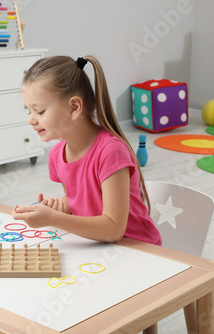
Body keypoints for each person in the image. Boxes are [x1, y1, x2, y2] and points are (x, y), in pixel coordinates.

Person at [12, 55, 162, 246]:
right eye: (29, 111)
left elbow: (114, 228)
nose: (31, 120)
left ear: (74, 107)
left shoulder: (111, 152)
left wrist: (52, 219)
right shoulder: (57, 155)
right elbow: (78, 203)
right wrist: (57, 208)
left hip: (140, 250)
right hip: (97, 247)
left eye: (39, 111)